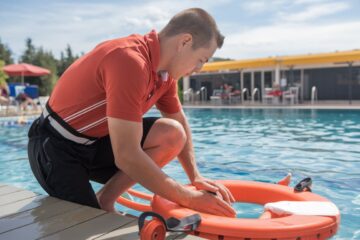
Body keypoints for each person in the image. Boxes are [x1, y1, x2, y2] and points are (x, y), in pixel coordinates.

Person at [27, 8, 236, 217]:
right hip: (54, 148)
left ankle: (105, 199)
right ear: (184, 42)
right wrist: (188, 199)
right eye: (202, 59)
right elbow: (126, 155)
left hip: (93, 145)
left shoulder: (165, 76)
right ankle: (97, 206)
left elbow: (178, 120)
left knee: (173, 134)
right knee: (90, 224)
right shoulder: (129, 60)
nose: (199, 68)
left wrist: (195, 177)